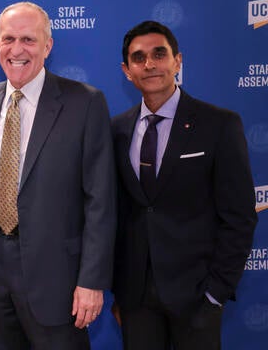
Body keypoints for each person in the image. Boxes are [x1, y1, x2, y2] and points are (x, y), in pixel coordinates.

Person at [0, 1, 116, 349]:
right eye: (7, 39)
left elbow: (101, 200)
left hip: (59, 281)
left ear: (48, 45)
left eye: (28, 39)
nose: (16, 50)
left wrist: (92, 280)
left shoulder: (85, 103)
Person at [111, 20, 258, 350]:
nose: (149, 64)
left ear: (177, 61)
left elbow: (240, 217)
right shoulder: (116, 130)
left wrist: (215, 293)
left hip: (197, 297)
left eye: (159, 54)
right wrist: (120, 292)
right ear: (126, 70)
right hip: (136, 302)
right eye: (139, 57)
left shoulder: (219, 124)